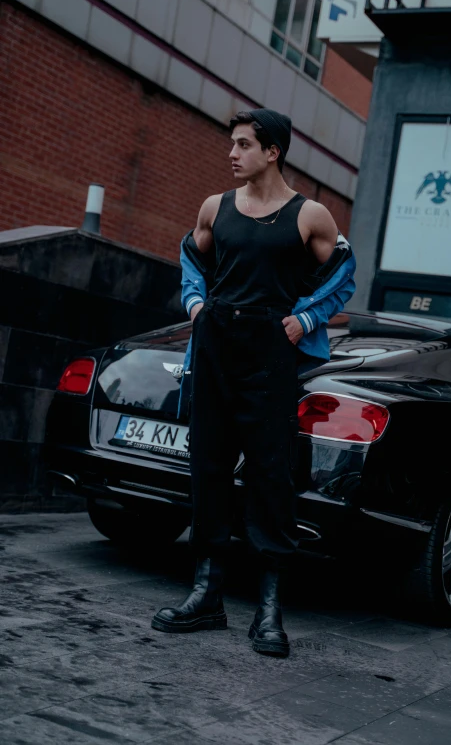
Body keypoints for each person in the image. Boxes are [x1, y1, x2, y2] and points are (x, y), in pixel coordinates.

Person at [152, 109, 356, 658]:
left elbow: (343, 274)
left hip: (271, 352)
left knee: (270, 476)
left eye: (243, 144)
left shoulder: (310, 215)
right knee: (209, 468)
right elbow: (190, 256)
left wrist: (306, 320)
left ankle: (269, 609)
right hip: (217, 345)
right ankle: (207, 595)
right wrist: (196, 304)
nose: (232, 153)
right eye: (232, 144)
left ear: (273, 152)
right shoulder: (215, 207)